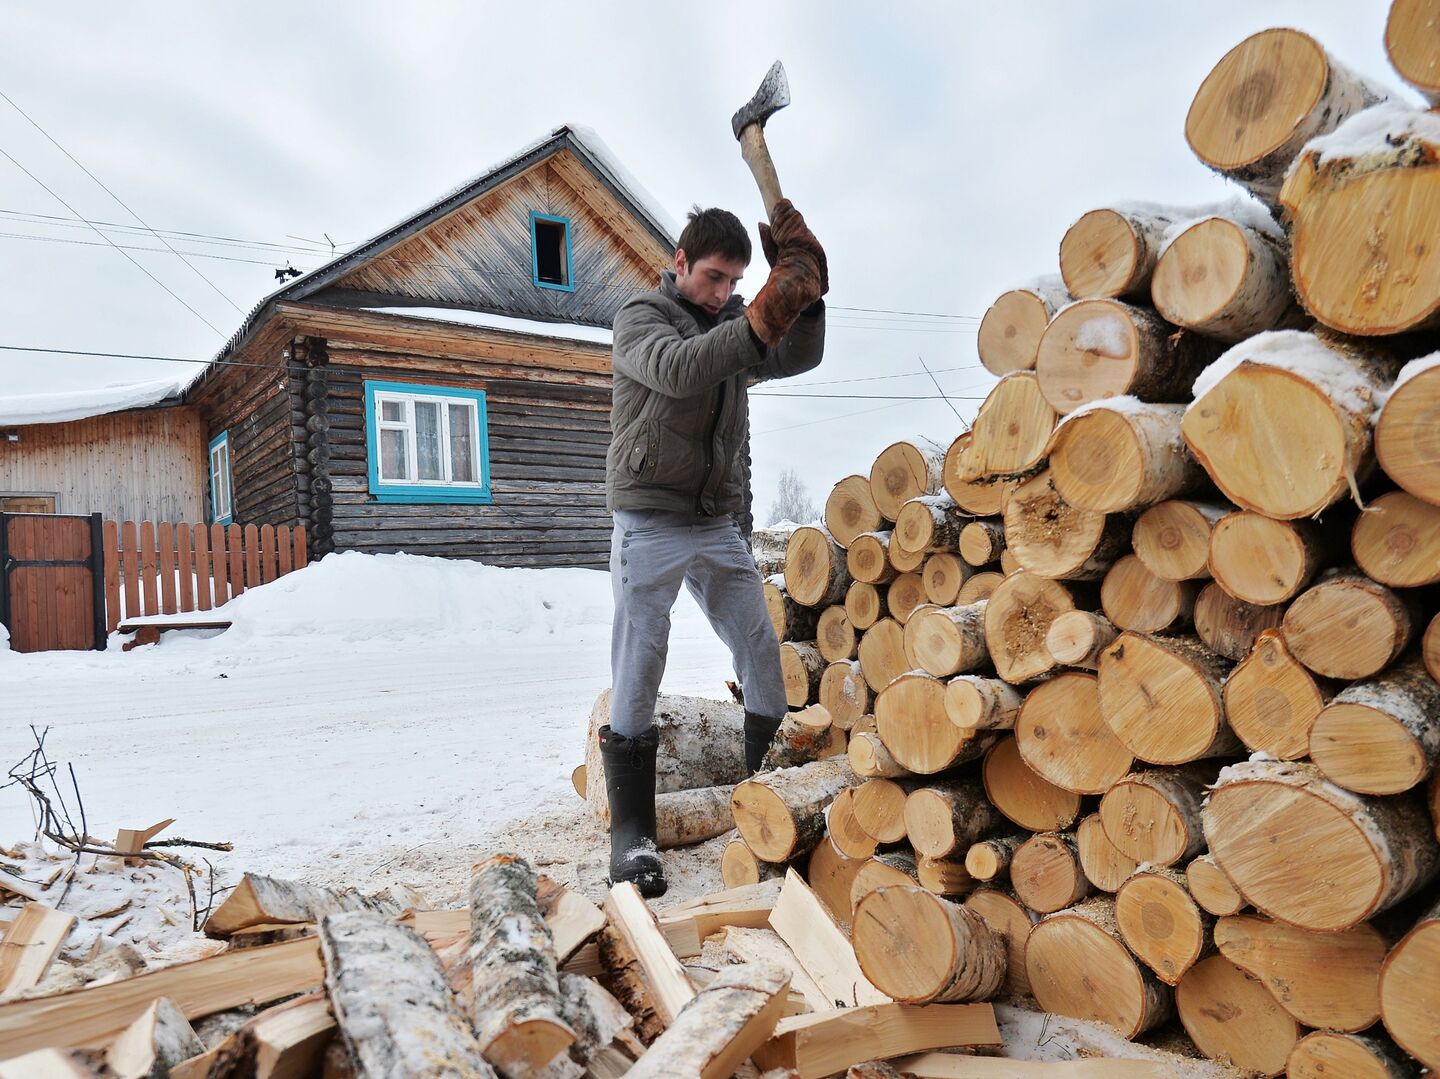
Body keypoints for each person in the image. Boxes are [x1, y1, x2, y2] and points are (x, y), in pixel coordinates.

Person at [597, 199, 828, 896]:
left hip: (714, 518)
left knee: (759, 649)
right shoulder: (641, 320)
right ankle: (632, 835)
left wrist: (809, 295)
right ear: (680, 263)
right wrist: (760, 317)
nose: (725, 293)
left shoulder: (734, 326)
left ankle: (770, 802)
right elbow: (681, 370)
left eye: (736, 282)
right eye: (714, 278)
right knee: (642, 661)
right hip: (649, 517)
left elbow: (800, 354)